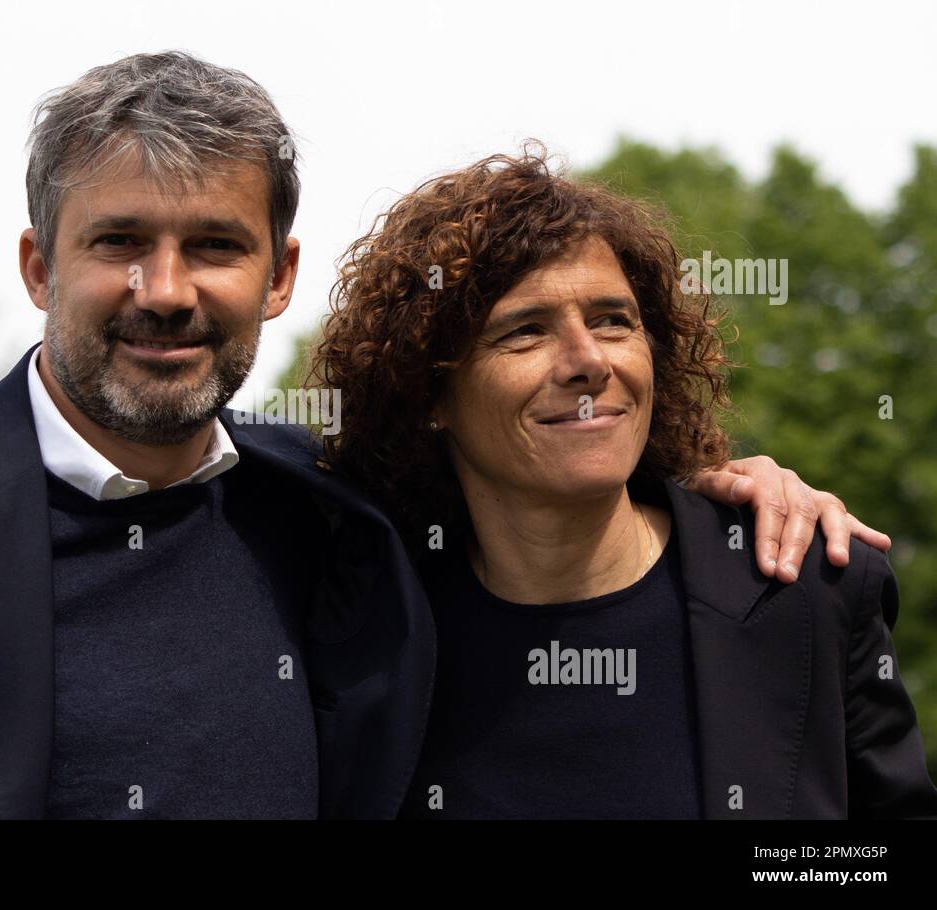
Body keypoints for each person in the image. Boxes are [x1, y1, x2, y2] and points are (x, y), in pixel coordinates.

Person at [0, 56, 882, 820]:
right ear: (38, 266)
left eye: (216, 246)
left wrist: (715, 483)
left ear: (279, 276)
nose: (166, 290)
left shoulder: (339, 518)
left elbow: (554, 477)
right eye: (119, 241)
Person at [311, 147, 937, 818]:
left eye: (613, 320)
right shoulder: (363, 636)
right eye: (525, 332)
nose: (587, 361)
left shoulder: (808, 589)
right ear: (430, 395)